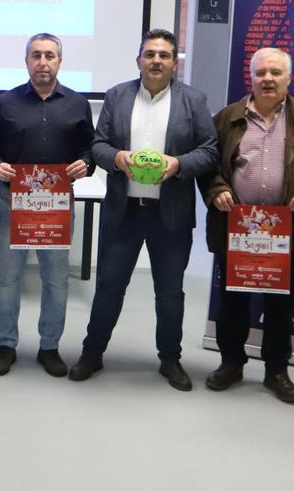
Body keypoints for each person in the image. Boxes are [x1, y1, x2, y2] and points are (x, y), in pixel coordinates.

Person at [69, 29, 217, 390]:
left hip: (171, 214)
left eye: (164, 55)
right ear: (138, 60)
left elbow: (209, 150)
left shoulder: (193, 101)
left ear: (174, 63)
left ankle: (170, 359)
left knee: (170, 293)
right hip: (124, 212)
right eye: (150, 54)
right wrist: (117, 158)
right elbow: (98, 145)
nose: (156, 61)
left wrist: (178, 164)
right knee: (108, 286)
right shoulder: (117, 96)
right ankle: (92, 352)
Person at [197, 47, 294, 403]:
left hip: (282, 232)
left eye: (275, 73)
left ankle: (277, 370)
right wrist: (217, 190)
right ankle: (231, 363)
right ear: (251, 77)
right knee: (232, 303)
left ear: (289, 78)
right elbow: (207, 163)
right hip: (237, 229)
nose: (268, 79)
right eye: (261, 73)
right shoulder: (227, 117)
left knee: (279, 307)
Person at [0, 32, 94, 378]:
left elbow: (89, 149)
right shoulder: (5, 103)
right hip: (13, 201)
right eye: (36, 55)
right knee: (8, 279)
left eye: (49, 55)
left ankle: (49, 347)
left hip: (56, 205)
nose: (42, 62)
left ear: (60, 61)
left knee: (56, 280)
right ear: (27, 61)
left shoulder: (77, 104)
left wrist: (86, 163)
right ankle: (6, 345)